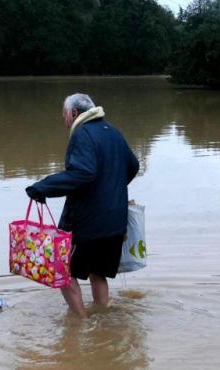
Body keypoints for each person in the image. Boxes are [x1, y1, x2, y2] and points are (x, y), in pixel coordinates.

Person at [25, 93, 139, 317]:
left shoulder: (82, 134)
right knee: (98, 272)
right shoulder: (113, 132)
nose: (64, 120)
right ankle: (103, 321)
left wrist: (43, 187)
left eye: (64, 115)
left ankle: (80, 322)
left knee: (62, 270)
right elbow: (133, 165)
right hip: (116, 221)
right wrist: (110, 189)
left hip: (89, 223)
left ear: (74, 113)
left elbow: (82, 173)